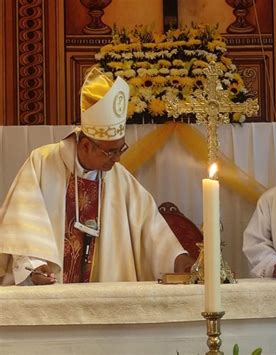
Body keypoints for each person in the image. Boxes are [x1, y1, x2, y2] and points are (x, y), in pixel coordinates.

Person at [0, 68, 194, 285]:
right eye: (110, 152)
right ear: (85, 145)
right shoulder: (42, 163)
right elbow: (21, 225)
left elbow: (150, 227)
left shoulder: (119, 178)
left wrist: (177, 257)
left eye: (121, 149)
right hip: (50, 292)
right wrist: (34, 267)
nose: (117, 159)